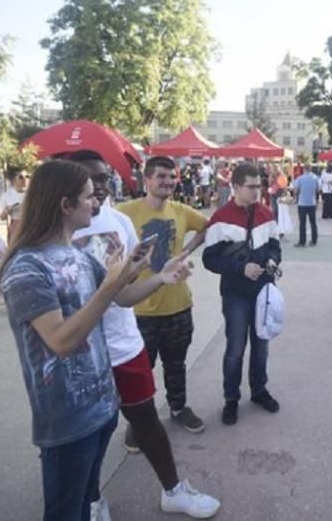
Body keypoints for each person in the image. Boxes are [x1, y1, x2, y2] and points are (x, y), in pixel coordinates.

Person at [67, 152, 220, 519]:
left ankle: (173, 490)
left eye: (104, 178)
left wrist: (162, 273)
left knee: (146, 419)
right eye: (91, 181)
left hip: (123, 343)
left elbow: (125, 287)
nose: (100, 187)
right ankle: (91, 499)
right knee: (91, 431)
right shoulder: (53, 229)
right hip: (77, 349)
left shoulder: (118, 222)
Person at [0, 160, 148, 520]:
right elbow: (61, 341)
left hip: (101, 406)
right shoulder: (26, 269)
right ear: (65, 206)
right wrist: (111, 284)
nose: (96, 205)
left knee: (83, 503)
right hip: (66, 418)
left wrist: (154, 276)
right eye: (87, 198)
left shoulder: (78, 255)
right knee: (66, 511)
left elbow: (120, 298)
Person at [117, 156, 209, 435]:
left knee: (176, 364)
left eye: (172, 176)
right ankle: (139, 423)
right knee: (140, 374)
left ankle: (178, 408)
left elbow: (206, 226)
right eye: (161, 176)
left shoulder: (181, 211)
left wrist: (186, 252)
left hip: (178, 306)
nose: (168, 182)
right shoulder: (125, 213)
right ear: (147, 180)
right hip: (140, 312)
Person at [202, 163, 282, 425]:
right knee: (235, 348)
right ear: (235, 187)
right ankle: (231, 399)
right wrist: (240, 268)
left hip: (264, 292)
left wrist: (271, 262)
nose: (257, 191)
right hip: (235, 294)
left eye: (259, 185)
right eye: (251, 186)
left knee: (261, 346)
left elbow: (275, 247)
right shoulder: (221, 218)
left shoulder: (267, 214)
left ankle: (259, 391)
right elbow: (209, 259)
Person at [291, 164, 319, 247]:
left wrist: (296, 195)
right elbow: (317, 189)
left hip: (302, 203)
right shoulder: (315, 178)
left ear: (304, 169)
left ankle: (302, 241)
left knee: (302, 223)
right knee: (313, 222)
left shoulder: (300, 178)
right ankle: (314, 240)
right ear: (311, 169)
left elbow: (296, 191)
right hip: (312, 203)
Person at [1, 167, 30, 242]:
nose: (25, 180)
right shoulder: (7, 195)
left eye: (27, 176)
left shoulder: (33, 193)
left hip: (31, 224)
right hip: (16, 224)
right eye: (21, 177)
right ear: (13, 181)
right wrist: (7, 211)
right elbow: (2, 217)